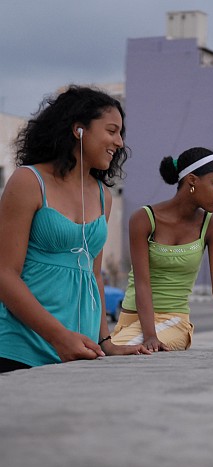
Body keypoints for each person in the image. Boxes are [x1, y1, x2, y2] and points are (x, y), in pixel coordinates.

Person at [0, 85, 150, 373]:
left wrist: (105, 341)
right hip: (22, 346)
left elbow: (93, 275)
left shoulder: (102, 196)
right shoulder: (28, 181)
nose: (119, 142)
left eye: (121, 133)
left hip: (79, 349)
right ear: (78, 130)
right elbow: (5, 274)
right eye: (111, 130)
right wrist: (58, 337)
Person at [111, 146, 213, 352]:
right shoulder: (144, 219)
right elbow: (142, 283)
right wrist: (150, 336)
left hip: (173, 321)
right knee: (100, 352)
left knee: (119, 350)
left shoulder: (211, 226)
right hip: (130, 321)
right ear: (192, 181)